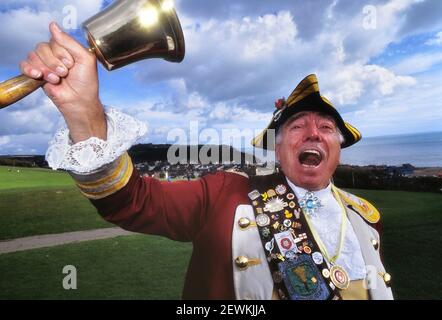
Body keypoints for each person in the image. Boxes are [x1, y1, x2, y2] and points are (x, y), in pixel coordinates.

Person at [20, 22, 393, 300]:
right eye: (297, 126)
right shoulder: (225, 194)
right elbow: (132, 202)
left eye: (326, 127)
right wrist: (86, 114)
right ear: (277, 149)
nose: (313, 133)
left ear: (339, 147)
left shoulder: (364, 217)